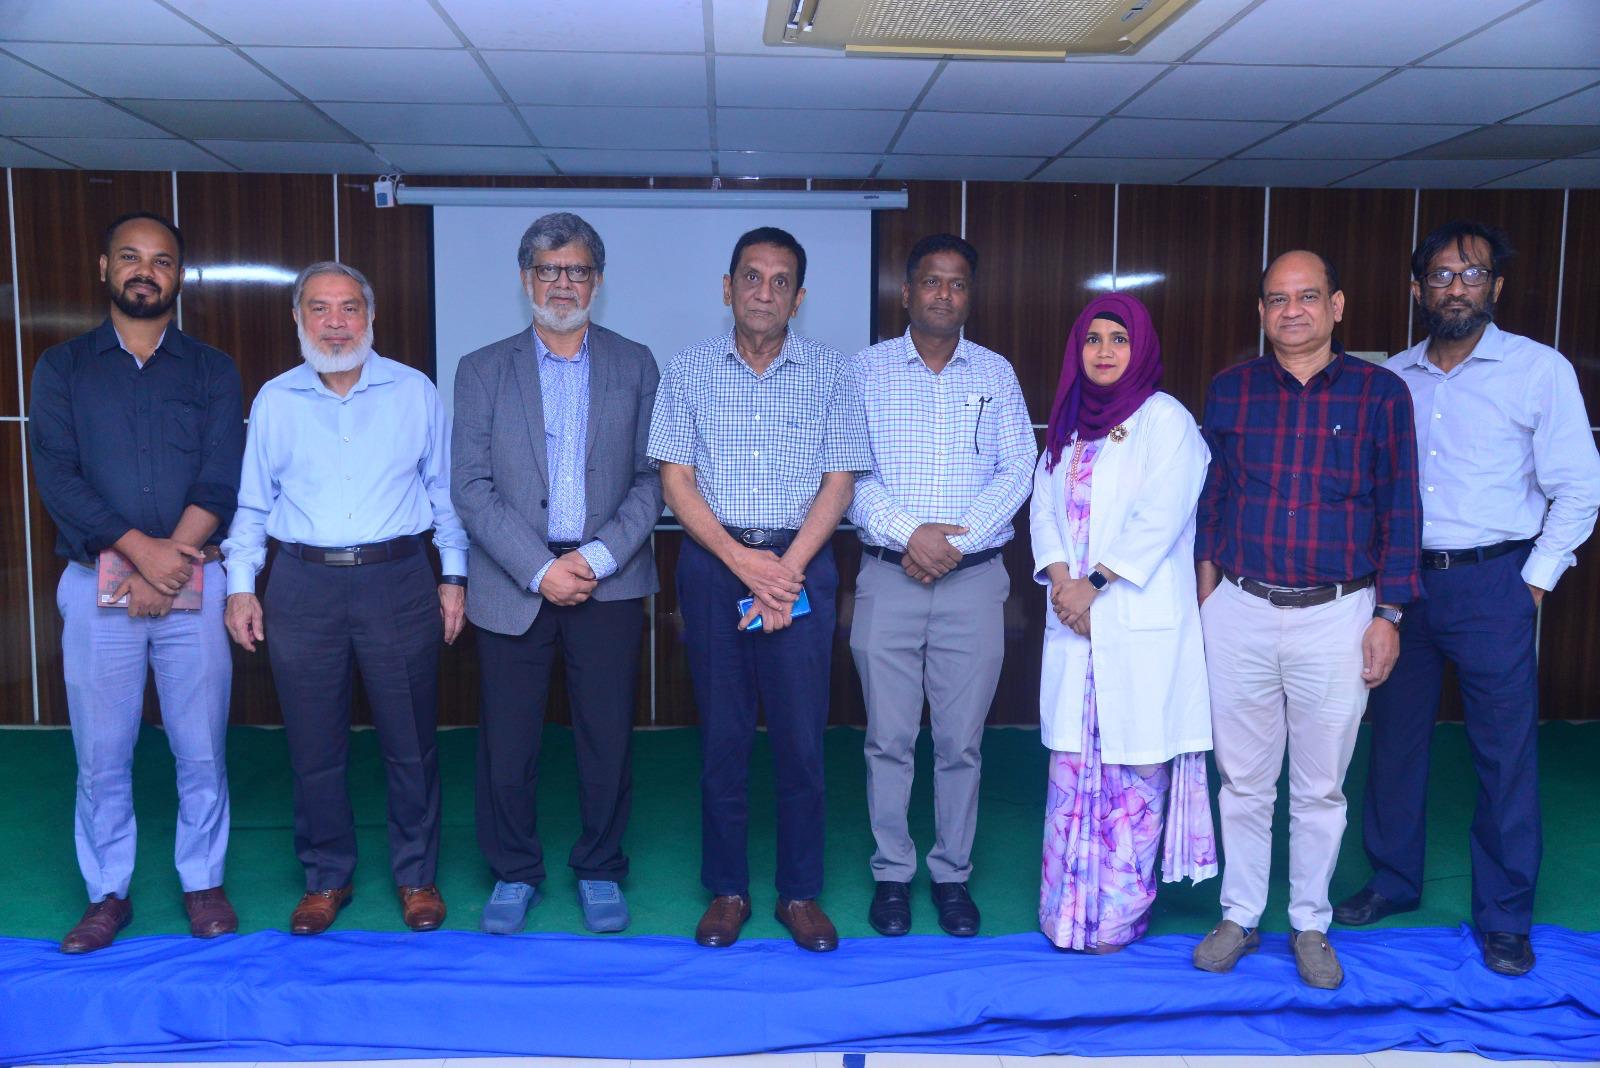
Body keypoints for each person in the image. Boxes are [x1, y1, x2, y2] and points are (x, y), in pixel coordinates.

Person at [1335, 221, 1600, 977]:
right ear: (1418, 289)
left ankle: (1506, 916)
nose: (1457, 288)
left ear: (1496, 287)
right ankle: (1392, 880)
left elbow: (1580, 488)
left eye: (1473, 274)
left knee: (1503, 754)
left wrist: (1534, 583)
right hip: (1403, 586)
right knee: (1395, 742)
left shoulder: (1539, 370)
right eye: (1442, 276)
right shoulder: (1393, 378)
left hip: (1495, 583)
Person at [1192, 250, 1423, 990]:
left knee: (1321, 786)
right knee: (1243, 780)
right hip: (1240, 609)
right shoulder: (1231, 390)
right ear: (1261, 310)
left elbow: (1401, 509)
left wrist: (1389, 612)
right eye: (1277, 299)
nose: (1292, 311)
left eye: (1308, 296)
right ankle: (1239, 916)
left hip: (1339, 613)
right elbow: (1212, 499)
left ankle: (1310, 923)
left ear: (1337, 305)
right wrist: (1207, 591)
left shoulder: (1381, 394)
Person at [222, 261, 468, 935]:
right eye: (320, 309)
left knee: (410, 742)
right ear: (297, 319)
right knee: (314, 745)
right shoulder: (275, 400)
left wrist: (453, 577)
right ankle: (326, 877)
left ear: (372, 316)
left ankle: (417, 876)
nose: (336, 323)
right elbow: (252, 504)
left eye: (349, 308)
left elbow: (444, 493)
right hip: (302, 585)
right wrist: (241, 588)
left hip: (399, 580)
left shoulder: (414, 391)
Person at [648, 226, 869, 952]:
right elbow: (675, 480)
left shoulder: (832, 372)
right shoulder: (687, 370)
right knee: (723, 738)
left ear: (798, 298)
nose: (764, 293)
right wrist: (745, 564)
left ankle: (799, 892)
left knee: (802, 742)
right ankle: (728, 890)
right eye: (751, 277)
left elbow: (839, 482)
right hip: (715, 568)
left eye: (780, 282)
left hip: (802, 563)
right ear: (727, 288)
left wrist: (784, 571)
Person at [30, 211, 244, 953]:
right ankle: (107, 892)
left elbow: (221, 475)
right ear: (105, 269)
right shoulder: (62, 367)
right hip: (96, 583)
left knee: (201, 748)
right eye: (130, 257)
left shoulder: (212, 369)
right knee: (102, 753)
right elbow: (59, 477)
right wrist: (141, 556)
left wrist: (169, 561)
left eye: (160, 260)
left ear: (178, 276)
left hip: (194, 582)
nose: (144, 271)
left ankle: (203, 881)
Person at [452, 212, 662, 935]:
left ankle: (600, 866)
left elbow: (653, 479)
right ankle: (514, 870)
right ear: (525, 280)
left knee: (606, 737)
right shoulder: (482, 368)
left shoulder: (636, 364)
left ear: (597, 281)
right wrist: (541, 568)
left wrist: (594, 558)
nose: (562, 284)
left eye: (576, 270)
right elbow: (470, 485)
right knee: (508, 743)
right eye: (548, 270)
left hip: (609, 580)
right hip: (515, 581)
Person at [848, 233, 1034, 938]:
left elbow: (1018, 469)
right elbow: (849, 473)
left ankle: (952, 874)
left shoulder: (996, 372)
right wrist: (913, 537)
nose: (944, 294)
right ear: (906, 291)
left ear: (969, 296)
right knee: (888, 740)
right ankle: (892, 874)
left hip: (972, 582)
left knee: (961, 743)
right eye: (931, 281)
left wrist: (950, 545)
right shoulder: (864, 371)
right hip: (888, 576)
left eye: (957, 284)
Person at [1030, 292, 1215, 953]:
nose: (1104, 351)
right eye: (1093, 339)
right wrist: (1063, 585)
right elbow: (1043, 511)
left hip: (1133, 619)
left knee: (1134, 780)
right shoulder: (1067, 423)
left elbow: (1160, 517)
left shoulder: (1167, 421)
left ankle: (1115, 918)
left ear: (1140, 351)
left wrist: (1094, 587)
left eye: (1119, 339)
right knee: (1072, 771)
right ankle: (1065, 913)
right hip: (1074, 622)